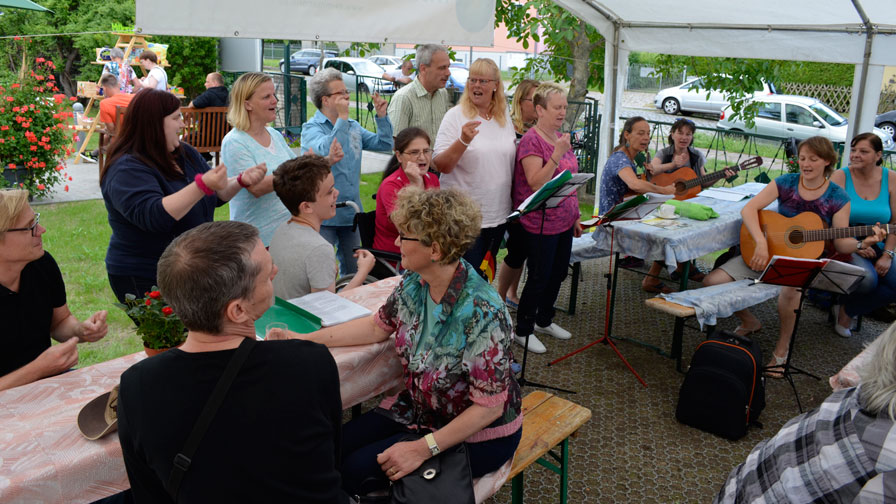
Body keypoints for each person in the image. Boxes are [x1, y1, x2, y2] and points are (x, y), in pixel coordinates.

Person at [269, 187, 522, 497]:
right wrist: (304, 338)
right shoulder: (416, 281)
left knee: (356, 471)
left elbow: (488, 409)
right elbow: (376, 328)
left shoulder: (483, 311)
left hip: (478, 434)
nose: (397, 242)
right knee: (330, 451)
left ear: (436, 250)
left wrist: (422, 449)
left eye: (405, 236)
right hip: (421, 411)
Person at [117, 220, 350, 503]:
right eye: (266, 274)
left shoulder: (136, 386)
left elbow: (149, 495)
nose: (275, 271)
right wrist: (287, 357)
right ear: (238, 310)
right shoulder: (309, 363)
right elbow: (330, 460)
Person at [702, 136, 881, 376]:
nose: (805, 164)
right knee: (709, 282)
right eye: (802, 158)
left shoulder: (838, 197)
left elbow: (841, 242)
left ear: (826, 161)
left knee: (790, 293)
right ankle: (749, 321)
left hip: (800, 262)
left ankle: (782, 350)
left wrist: (862, 243)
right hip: (764, 252)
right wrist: (761, 243)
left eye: (813, 159)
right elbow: (749, 208)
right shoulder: (786, 182)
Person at [101, 89, 266, 302]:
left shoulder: (183, 152)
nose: (182, 124)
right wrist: (201, 185)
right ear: (153, 123)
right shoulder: (127, 168)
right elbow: (154, 216)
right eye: (176, 118)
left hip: (186, 269)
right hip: (144, 273)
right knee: (177, 335)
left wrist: (241, 181)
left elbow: (212, 196)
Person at [715, 321, 896, 503]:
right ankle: (780, 351)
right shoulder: (888, 458)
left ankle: (781, 351)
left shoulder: (854, 393)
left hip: (734, 489)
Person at [0, 189, 109, 392]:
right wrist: (38, 369)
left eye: (36, 221)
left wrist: (81, 331)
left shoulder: (41, 264)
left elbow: (59, 321)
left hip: (46, 385)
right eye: (29, 227)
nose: (41, 230)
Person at [510, 83, 582, 354]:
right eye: (557, 107)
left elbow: (569, 180)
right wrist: (556, 154)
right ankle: (523, 329)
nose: (562, 112)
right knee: (540, 275)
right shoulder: (532, 140)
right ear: (540, 110)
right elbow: (534, 183)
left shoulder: (560, 137)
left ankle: (544, 320)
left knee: (559, 272)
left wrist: (575, 216)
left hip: (564, 220)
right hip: (540, 222)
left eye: (564, 107)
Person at [301, 68, 392, 276]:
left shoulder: (353, 126)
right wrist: (342, 118)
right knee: (323, 272)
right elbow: (329, 149)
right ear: (325, 100)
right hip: (324, 216)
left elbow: (384, 143)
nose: (347, 96)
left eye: (346, 91)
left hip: (351, 214)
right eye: (340, 93)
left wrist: (382, 116)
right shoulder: (311, 128)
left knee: (355, 272)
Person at [433, 58, 516, 279]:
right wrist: (462, 140)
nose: (476, 86)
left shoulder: (503, 116)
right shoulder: (455, 116)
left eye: (483, 81)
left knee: (485, 277)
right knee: (463, 281)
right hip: (464, 218)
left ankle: (481, 314)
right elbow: (440, 164)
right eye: (472, 80)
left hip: (497, 215)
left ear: (496, 85)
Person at [270, 155, 375, 299]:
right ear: (306, 206)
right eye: (329, 192)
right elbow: (327, 309)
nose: (337, 193)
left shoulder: (282, 230)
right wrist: (362, 272)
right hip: (304, 320)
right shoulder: (319, 249)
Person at [221, 73, 300, 247]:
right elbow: (256, 188)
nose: (275, 100)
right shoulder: (235, 142)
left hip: (287, 233)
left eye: (273, 94)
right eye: (266, 97)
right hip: (257, 241)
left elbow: (299, 170)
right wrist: (297, 170)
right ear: (247, 104)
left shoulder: (274, 134)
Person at [598, 116, 675, 292]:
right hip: (612, 223)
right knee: (667, 236)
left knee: (671, 227)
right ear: (627, 134)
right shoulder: (620, 158)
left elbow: (635, 189)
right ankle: (656, 278)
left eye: (648, 134)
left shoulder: (631, 158)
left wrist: (650, 179)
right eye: (640, 133)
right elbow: (634, 185)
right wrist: (664, 190)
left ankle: (680, 269)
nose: (646, 138)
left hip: (625, 216)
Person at [830, 132, 896, 337]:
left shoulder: (892, 178)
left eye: (863, 151)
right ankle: (842, 306)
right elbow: (830, 220)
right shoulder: (840, 176)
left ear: (878, 155)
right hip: (846, 240)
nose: (855, 155)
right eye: (853, 150)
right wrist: (857, 246)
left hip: (882, 242)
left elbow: (894, 223)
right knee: (868, 280)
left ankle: (847, 309)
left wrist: (887, 255)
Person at [498, 78, 540, 309]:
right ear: (520, 101)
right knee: (515, 250)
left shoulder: (536, 130)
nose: (537, 105)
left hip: (527, 199)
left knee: (522, 249)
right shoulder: (507, 127)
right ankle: (500, 295)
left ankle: (512, 293)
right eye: (533, 100)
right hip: (508, 196)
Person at [374, 127, 440, 254]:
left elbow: (438, 220)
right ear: (399, 156)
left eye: (426, 151)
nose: (422, 157)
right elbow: (408, 231)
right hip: (398, 257)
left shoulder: (432, 179)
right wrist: (416, 184)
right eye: (414, 152)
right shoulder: (391, 186)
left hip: (427, 252)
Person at [386, 44, 452, 143]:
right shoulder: (404, 98)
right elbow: (395, 144)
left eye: (448, 67)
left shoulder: (443, 94)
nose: (448, 73)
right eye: (442, 68)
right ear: (423, 68)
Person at [97, 73, 134, 137]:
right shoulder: (135, 98)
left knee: (106, 137)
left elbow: (111, 129)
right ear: (119, 85)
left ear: (104, 89)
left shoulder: (105, 103)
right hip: (139, 138)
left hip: (120, 141)